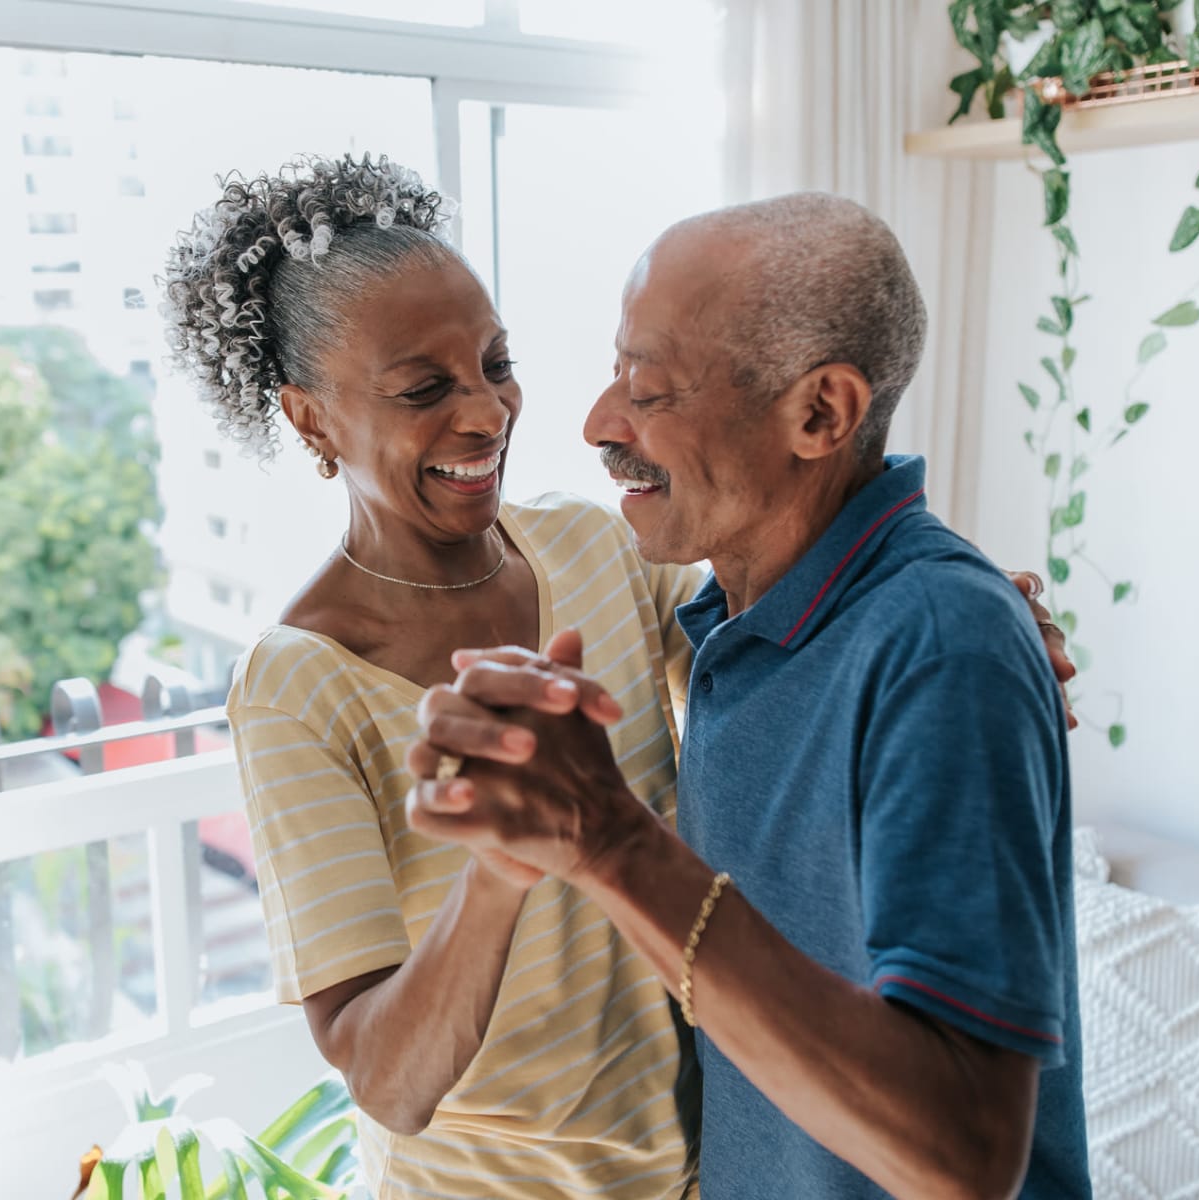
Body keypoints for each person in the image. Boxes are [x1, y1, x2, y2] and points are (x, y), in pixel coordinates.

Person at [161, 157, 1077, 1199]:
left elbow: (797, 633)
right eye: (424, 389)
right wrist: (503, 866)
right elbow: (387, 1080)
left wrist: (966, 622)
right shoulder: (299, 688)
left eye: (496, 364)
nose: (490, 413)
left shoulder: (597, 553)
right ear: (311, 418)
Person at [405, 194, 1091, 1199]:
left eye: (648, 388)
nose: (598, 422)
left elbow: (960, 1156)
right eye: (612, 372)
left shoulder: (941, 644)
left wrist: (609, 840)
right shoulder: (729, 622)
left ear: (819, 414)